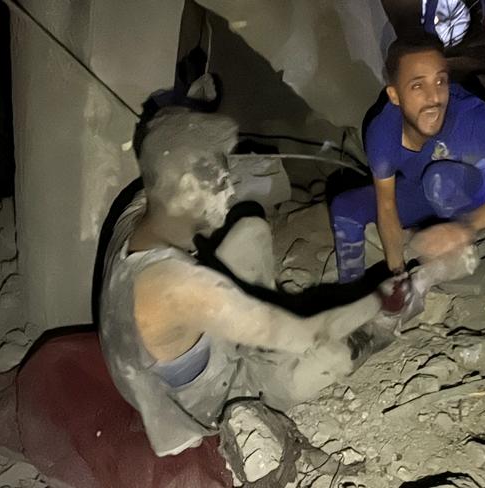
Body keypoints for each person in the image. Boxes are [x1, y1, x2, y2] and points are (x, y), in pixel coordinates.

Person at [99, 107, 386, 457]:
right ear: (187, 189)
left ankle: (259, 328)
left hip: (155, 362)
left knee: (251, 231)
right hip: (210, 397)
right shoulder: (181, 288)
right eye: (222, 183)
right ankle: (273, 358)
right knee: (337, 352)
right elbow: (307, 333)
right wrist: (384, 298)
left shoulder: (137, 210)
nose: (230, 193)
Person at [330, 36, 485, 283]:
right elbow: (387, 207)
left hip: (483, 191)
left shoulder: (467, 119)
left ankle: (478, 258)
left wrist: (467, 227)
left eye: (440, 81)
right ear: (395, 95)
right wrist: (397, 273)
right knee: (346, 207)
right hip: (427, 189)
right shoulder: (381, 132)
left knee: (439, 180)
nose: (434, 98)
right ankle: (352, 292)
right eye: (418, 86)